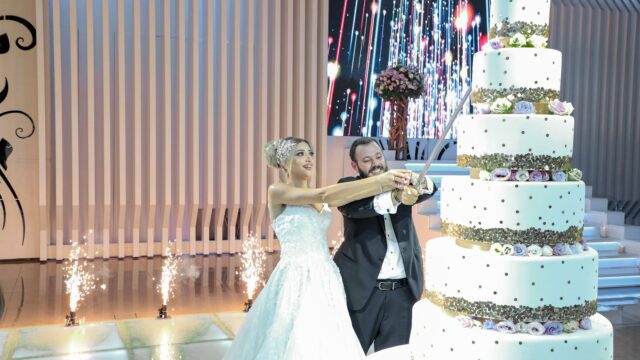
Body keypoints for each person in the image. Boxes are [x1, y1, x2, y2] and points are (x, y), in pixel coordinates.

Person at [223, 136, 413, 360]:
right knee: (297, 340)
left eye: (310, 153)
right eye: (300, 154)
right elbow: (324, 195)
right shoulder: (278, 191)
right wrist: (385, 180)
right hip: (296, 277)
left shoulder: (323, 195)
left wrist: (389, 186)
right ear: (284, 163)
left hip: (326, 276)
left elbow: (343, 195)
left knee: (327, 341)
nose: (308, 158)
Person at [334, 137, 437, 352]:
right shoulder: (347, 187)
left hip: (402, 292)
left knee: (396, 355)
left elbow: (429, 188)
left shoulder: (400, 180)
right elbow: (360, 207)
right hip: (363, 292)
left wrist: (417, 183)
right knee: (348, 353)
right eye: (367, 160)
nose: (376, 164)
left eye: (379, 157)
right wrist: (396, 196)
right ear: (355, 165)